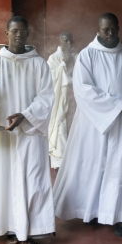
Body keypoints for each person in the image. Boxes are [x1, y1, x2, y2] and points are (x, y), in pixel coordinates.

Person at [53, 12, 122, 243]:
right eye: (105, 29)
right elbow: (83, 90)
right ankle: (94, 210)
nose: (109, 33)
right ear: (98, 30)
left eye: (113, 29)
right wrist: (117, 105)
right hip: (94, 122)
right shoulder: (87, 55)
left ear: (119, 29)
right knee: (93, 166)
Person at [0, 16, 56, 244]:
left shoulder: (39, 64)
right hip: (3, 133)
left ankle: (28, 230)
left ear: (29, 33)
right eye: (14, 31)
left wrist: (26, 115)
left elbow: (46, 97)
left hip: (30, 131)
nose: (19, 34)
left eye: (23, 31)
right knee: (5, 178)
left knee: (32, 178)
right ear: (6, 34)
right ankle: (9, 225)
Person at [47, 32, 78, 172]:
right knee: (60, 133)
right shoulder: (53, 59)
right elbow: (50, 80)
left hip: (75, 102)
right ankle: (60, 168)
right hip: (60, 102)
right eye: (65, 41)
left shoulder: (78, 57)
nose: (68, 44)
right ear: (59, 42)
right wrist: (63, 64)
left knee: (76, 131)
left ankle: (75, 166)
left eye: (70, 41)